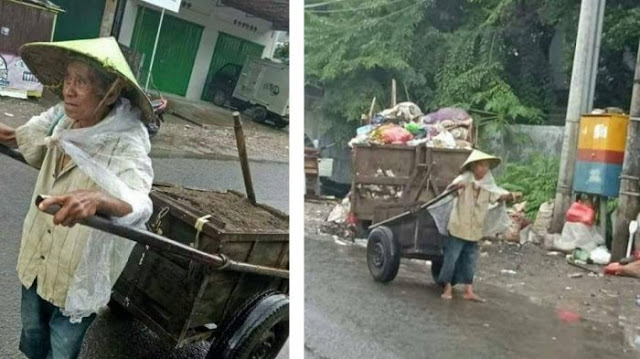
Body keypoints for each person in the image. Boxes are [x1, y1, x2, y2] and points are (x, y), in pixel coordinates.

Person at [0, 37, 154, 359]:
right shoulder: (62, 118)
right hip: (38, 257)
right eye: (68, 79)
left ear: (109, 92)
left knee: (62, 350)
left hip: (76, 276)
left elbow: (139, 202)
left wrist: (98, 199)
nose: (68, 90)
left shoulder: (126, 142)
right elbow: (23, 137)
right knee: (32, 336)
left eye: (80, 82)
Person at [438, 150, 520, 302]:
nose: (484, 169)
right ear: (474, 167)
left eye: (486, 166)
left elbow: (497, 197)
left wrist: (510, 195)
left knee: (471, 259)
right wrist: (456, 188)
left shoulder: (488, 185)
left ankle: (469, 290)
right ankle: (447, 287)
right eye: (481, 166)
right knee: (452, 258)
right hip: (459, 227)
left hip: (475, 229)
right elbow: (450, 192)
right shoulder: (463, 179)